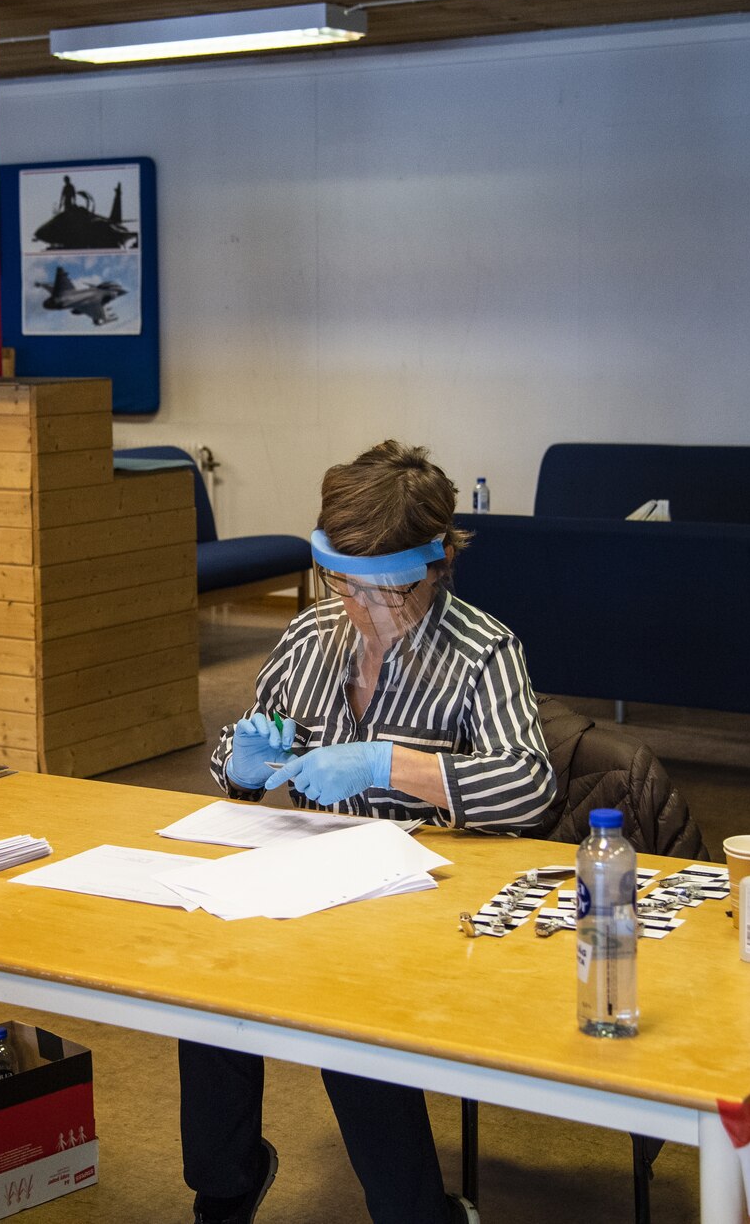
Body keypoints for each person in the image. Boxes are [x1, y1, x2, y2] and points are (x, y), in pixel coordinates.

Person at [182, 440, 557, 1224]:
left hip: (420, 908)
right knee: (205, 980)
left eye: (379, 590)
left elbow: (529, 785)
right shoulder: (312, 635)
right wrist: (244, 761)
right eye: (341, 582)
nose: (357, 608)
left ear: (434, 565)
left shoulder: (483, 651)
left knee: (346, 1008)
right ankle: (226, 1180)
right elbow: (243, 759)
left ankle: (417, 1213)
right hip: (306, 883)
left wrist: (394, 764)